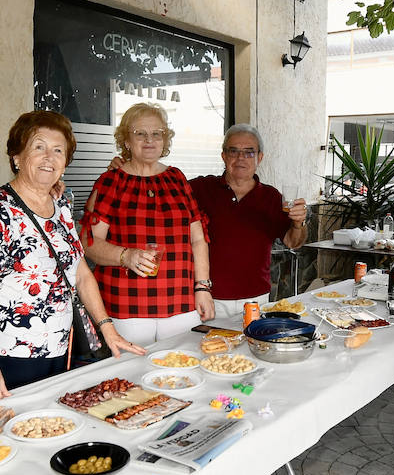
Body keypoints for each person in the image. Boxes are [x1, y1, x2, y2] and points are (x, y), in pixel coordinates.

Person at [0, 111, 143, 395]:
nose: (49, 157)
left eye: (58, 150)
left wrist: (107, 328)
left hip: (61, 347)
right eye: (39, 147)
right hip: (13, 352)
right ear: (17, 156)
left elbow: (81, 274)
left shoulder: (59, 205)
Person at [82, 103, 215, 344]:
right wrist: (125, 256)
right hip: (127, 304)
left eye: (157, 133)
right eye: (140, 133)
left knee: (182, 371)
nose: (149, 140)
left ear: (165, 139)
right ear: (126, 141)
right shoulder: (111, 181)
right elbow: (89, 243)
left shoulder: (177, 179)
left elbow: (198, 238)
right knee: (132, 376)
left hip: (180, 301)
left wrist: (202, 288)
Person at [188, 124, 308, 319]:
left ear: (260, 157)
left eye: (249, 152)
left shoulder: (272, 197)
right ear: (223, 156)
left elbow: (293, 242)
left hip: (256, 298)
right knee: (209, 348)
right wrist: (123, 167)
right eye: (233, 151)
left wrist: (298, 223)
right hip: (209, 297)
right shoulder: (200, 189)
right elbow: (162, 184)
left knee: (253, 346)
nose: (240, 158)